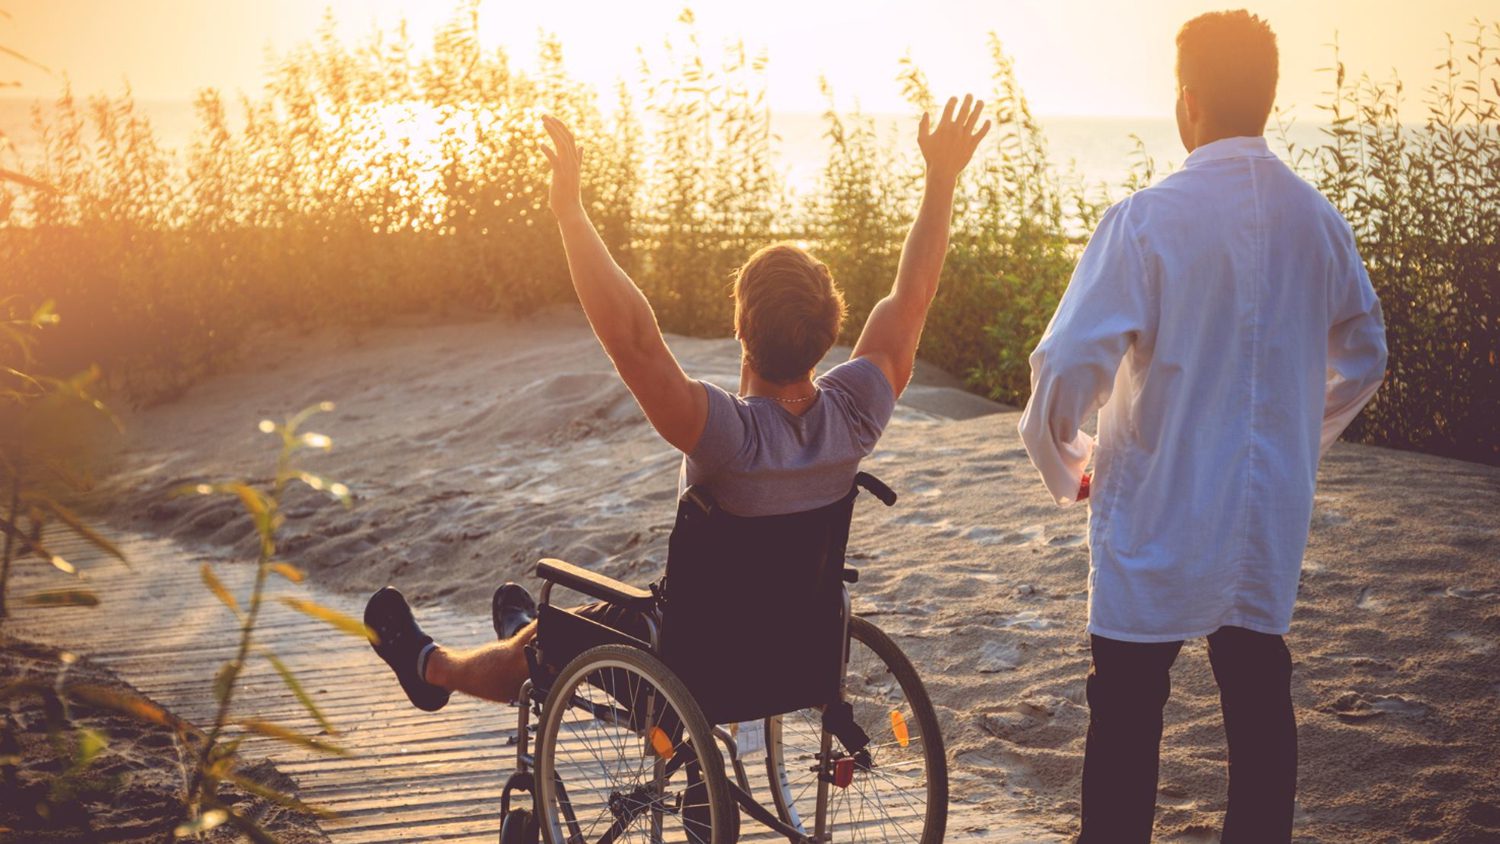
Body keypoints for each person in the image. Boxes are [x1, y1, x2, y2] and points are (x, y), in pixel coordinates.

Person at [364, 96, 990, 714]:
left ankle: (432, 667)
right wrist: (941, 179)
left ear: (741, 327)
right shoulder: (857, 415)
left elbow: (633, 337)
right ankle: (528, 634)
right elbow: (912, 299)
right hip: (797, 653)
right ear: (831, 328)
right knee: (579, 624)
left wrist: (571, 215)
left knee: (548, 642)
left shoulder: (727, 436)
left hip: (695, 663)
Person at [1018, 10, 1386, 844]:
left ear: (1187, 103)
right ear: (1268, 97)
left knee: (1127, 707)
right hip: (1263, 514)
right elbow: (1366, 354)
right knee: (1259, 698)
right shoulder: (1316, 219)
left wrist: (1066, 458)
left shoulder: (1147, 221)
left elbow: (1068, 365)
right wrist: (1298, 438)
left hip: (1159, 504)